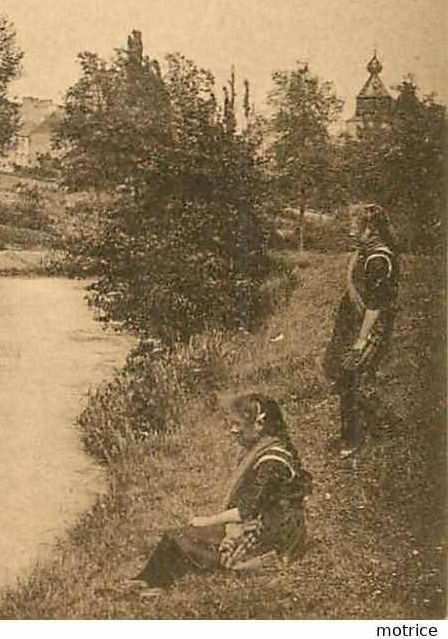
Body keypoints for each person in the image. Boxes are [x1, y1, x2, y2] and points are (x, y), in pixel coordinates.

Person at [124, 394, 312, 593]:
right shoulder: (268, 448)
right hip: (270, 523)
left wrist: (206, 521)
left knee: (177, 538)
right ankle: (147, 581)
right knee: (179, 538)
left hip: (272, 534)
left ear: (259, 426)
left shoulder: (271, 462)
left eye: (238, 425)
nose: (233, 431)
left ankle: (152, 584)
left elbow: (244, 510)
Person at [320, 202, 401, 457]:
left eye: (356, 226)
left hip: (366, 328)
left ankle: (351, 440)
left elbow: (376, 307)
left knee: (350, 378)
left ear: (372, 229)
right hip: (352, 324)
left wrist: (361, 340)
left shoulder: (379, 259)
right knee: (342, 374)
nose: (351, 231)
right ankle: (365, 428)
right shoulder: (365, 253)